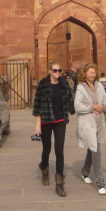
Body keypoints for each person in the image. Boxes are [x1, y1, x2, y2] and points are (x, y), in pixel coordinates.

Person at [32, 62, 75, 196]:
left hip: (60, 120)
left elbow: (70, 101)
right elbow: (37, 105)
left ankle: (59, 183)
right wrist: (38, 124)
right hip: (46, 120)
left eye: (59, 70)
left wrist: (84, 107)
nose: (57, 73)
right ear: (49, 71)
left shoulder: (64, 84)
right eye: (55, 70)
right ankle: (44, 168)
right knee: (47, 148)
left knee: (59, 150)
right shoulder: (43, 84)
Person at [74, 63, 106, 195]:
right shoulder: (80, 88)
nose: (92, 75)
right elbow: (77, 106)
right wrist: (92, 107)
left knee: (92, 149)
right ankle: (100, 183)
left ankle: (84, 172)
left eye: (94, 72)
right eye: (90, 72)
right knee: (96, 153)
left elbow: (105, 102)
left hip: (98, 122)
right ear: (85, 73)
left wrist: (102, 107)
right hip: (88, 124)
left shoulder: (99, 86)